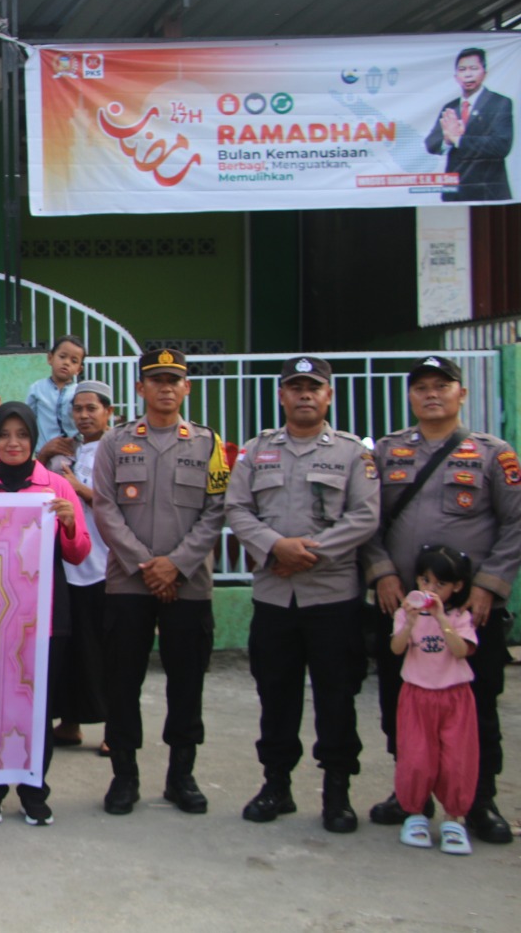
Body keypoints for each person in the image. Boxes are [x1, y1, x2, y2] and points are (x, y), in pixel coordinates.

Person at [360, 355, 521, 845]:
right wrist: (383, 574)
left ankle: (479, 800)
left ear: (461, 394)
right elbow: (366, 520)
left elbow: (515, 524)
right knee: (399, 707)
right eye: (422, 387)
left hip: (468, 612)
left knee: (476, 708)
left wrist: (487, 586)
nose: (432, 394)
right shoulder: (386, 454)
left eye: (442, 386)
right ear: (410, 396)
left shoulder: (493, 455)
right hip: (403, 611)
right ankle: (411, 795)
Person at [223, 357, 379, 833]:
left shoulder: (354, 454)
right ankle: (276, 785)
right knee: (276, 695)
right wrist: (275, 548)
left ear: (328, 396)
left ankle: (336, 791)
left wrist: (306, 553)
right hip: (275, 598)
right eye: (295, 387)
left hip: (332, 598)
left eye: (314, 387)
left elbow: (365, 516)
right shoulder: (256, 451)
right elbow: (237, 507)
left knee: (336, 695)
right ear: (281, 395)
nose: (305, 394)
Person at [91, 348, 228, 817]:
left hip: (188, 585)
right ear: (140, 388)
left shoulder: (209, 445)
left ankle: (180, 775)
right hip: (129, 582)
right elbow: (105, 508)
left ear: (187, 387)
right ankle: (124, 776)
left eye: (174, 380)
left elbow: (216, 511)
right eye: (156, 380)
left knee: (187, 682)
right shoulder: (115, 442)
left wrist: (177, 565)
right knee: (122, 680)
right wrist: (147, 565)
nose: (166, 387)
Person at [0, 402, 90, 827]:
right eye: (4, 435)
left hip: (45, 615)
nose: (13, 443)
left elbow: (78, 552)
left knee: (38, 706)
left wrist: (70, 524)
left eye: (22, 435)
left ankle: (35, 791)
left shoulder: (55, 487)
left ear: (34, 439)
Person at [390, 546, 480, 855]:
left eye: (439, 584)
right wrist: (411, 623)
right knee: (416, 758)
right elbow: (397, 649)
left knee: (456, 760)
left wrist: (442, 618)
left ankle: (454, 818)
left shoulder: (460, 616)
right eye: (425, 581)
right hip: (416, 695)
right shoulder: (405, 613)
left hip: (455, 697)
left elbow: (460, 650)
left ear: (456, 586)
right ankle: (415, 814)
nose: (430, 589)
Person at [38, 380, 113, 750]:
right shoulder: (64, 451)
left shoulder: (117, 451)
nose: (83, 416)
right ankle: (70, 723)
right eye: (78, 409)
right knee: (70, 652)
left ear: (108, 412)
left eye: (91, 409)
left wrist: (75, 488)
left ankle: (115, 730)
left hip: (104, 564)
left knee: (107, 651)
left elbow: (122, 505)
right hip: (67, 567)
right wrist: (43, 454)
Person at [424, 46, 513, 203]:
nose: (468, 74)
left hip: (488, 192)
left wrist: (459, 139)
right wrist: (447, 140)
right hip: (455, 193)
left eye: (473, 68)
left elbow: (501, 146)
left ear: (484, 72)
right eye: (462, 69)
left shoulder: (500, 103)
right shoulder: (450, 107)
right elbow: (431, 144)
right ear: (456, 76)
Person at [26, 335, 85, 451]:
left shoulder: (79, 392)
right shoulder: (37, 388)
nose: (66, 363)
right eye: (62, 357)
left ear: (78, 369)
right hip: (45, 450)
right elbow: (28, 419)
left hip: (74, 451)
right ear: (50, 358)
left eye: (74, 361)